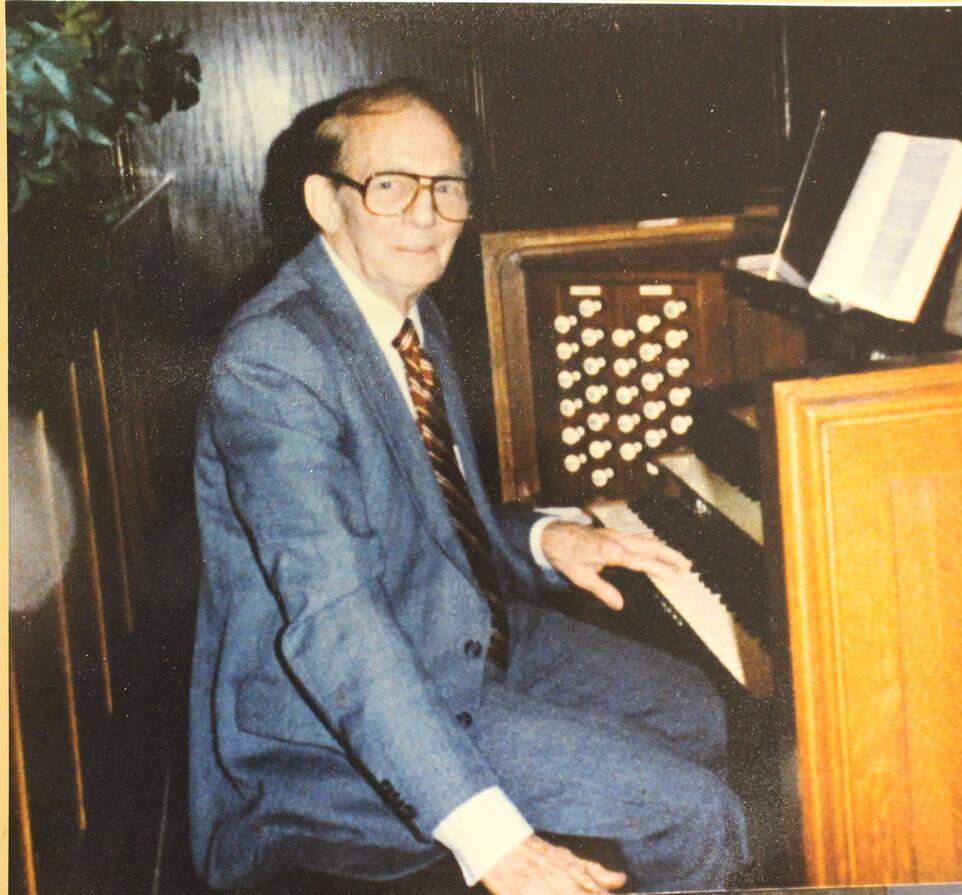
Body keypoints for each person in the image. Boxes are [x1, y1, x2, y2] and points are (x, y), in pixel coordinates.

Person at [189, 79, 748, 894]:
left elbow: (431, 514)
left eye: (447, 188)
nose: (426, 215)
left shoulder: (409, 311)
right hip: (334, 720)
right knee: (694, 812)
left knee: (695, 706)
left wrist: (546, 538)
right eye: (390, 186)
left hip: (454, 633)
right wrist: (490, 838)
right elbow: (333, 617)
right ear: (324, 202)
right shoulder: (274, 360)